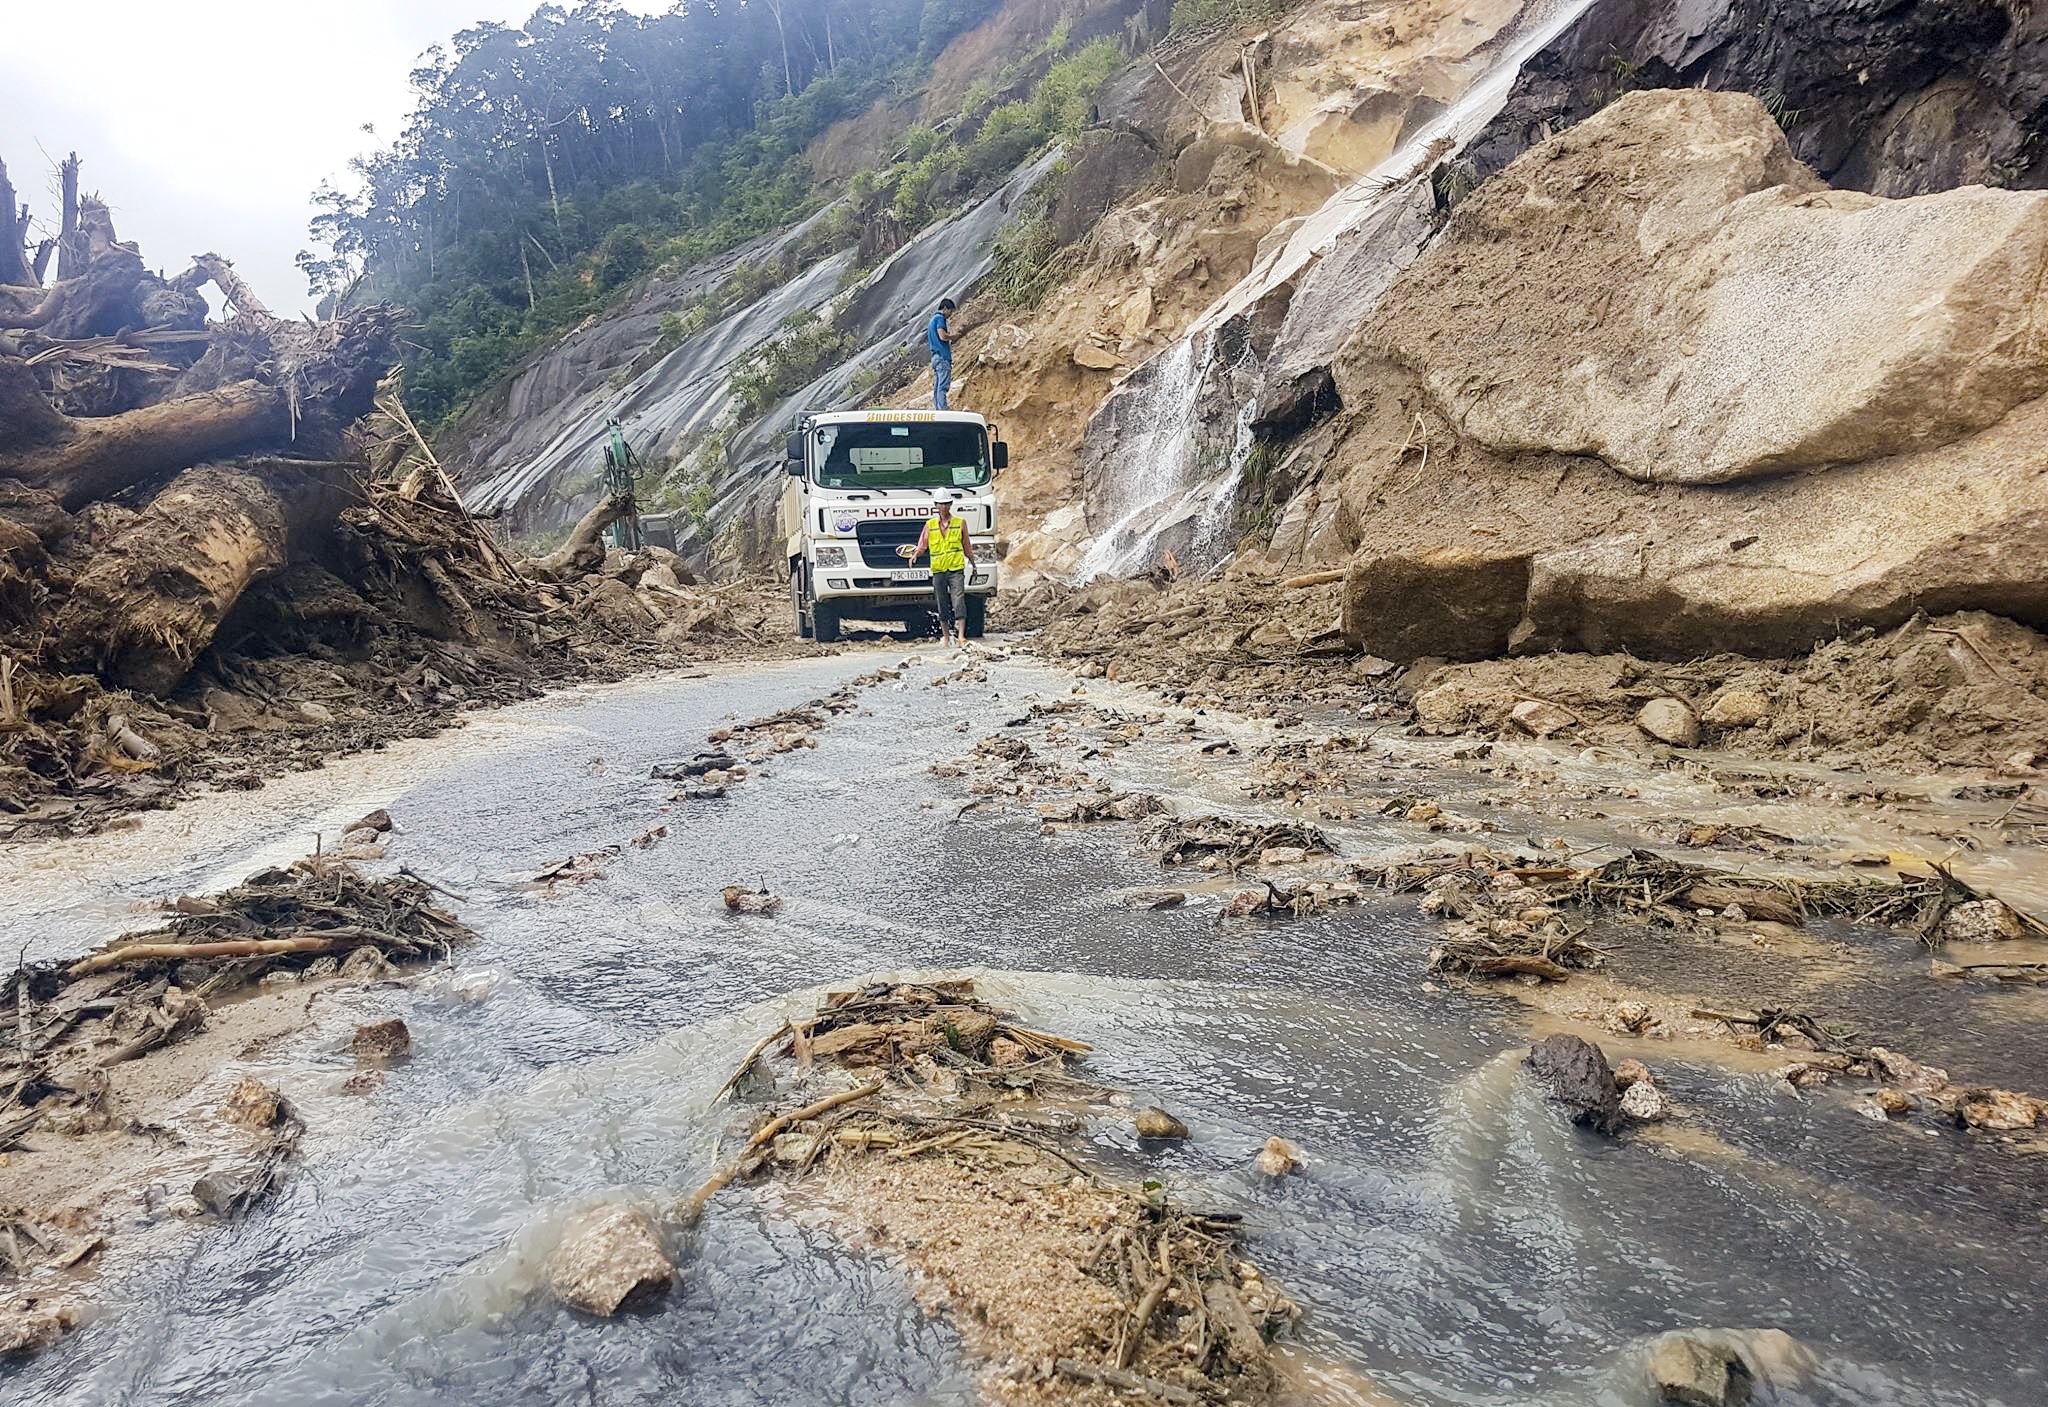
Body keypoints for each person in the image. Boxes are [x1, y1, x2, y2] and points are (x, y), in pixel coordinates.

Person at [903, 497, 973, 646]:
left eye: (947, 503)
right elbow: (922, 545)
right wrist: (915, 555)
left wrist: (973, 563)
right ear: (936, 505)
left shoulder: (960, 523)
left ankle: (961, 636)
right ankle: (946, 637)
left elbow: (966, 545)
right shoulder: (930, 525)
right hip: (939, 569)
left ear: (951, 505)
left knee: (959, 600)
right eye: (941, 504)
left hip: (956, 568)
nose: (944, 507)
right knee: (942, 603)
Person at [927, 297, 956, 410]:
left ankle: (938, 410)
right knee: (942, 387)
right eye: (950, 311)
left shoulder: (932, 320)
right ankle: (943, 410)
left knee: (937, 386)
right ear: (945, 308)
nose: (951, 314)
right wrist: (954, 336)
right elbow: (942, 336)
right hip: (942, 357)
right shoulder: (940, 318)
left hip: (935, 357)